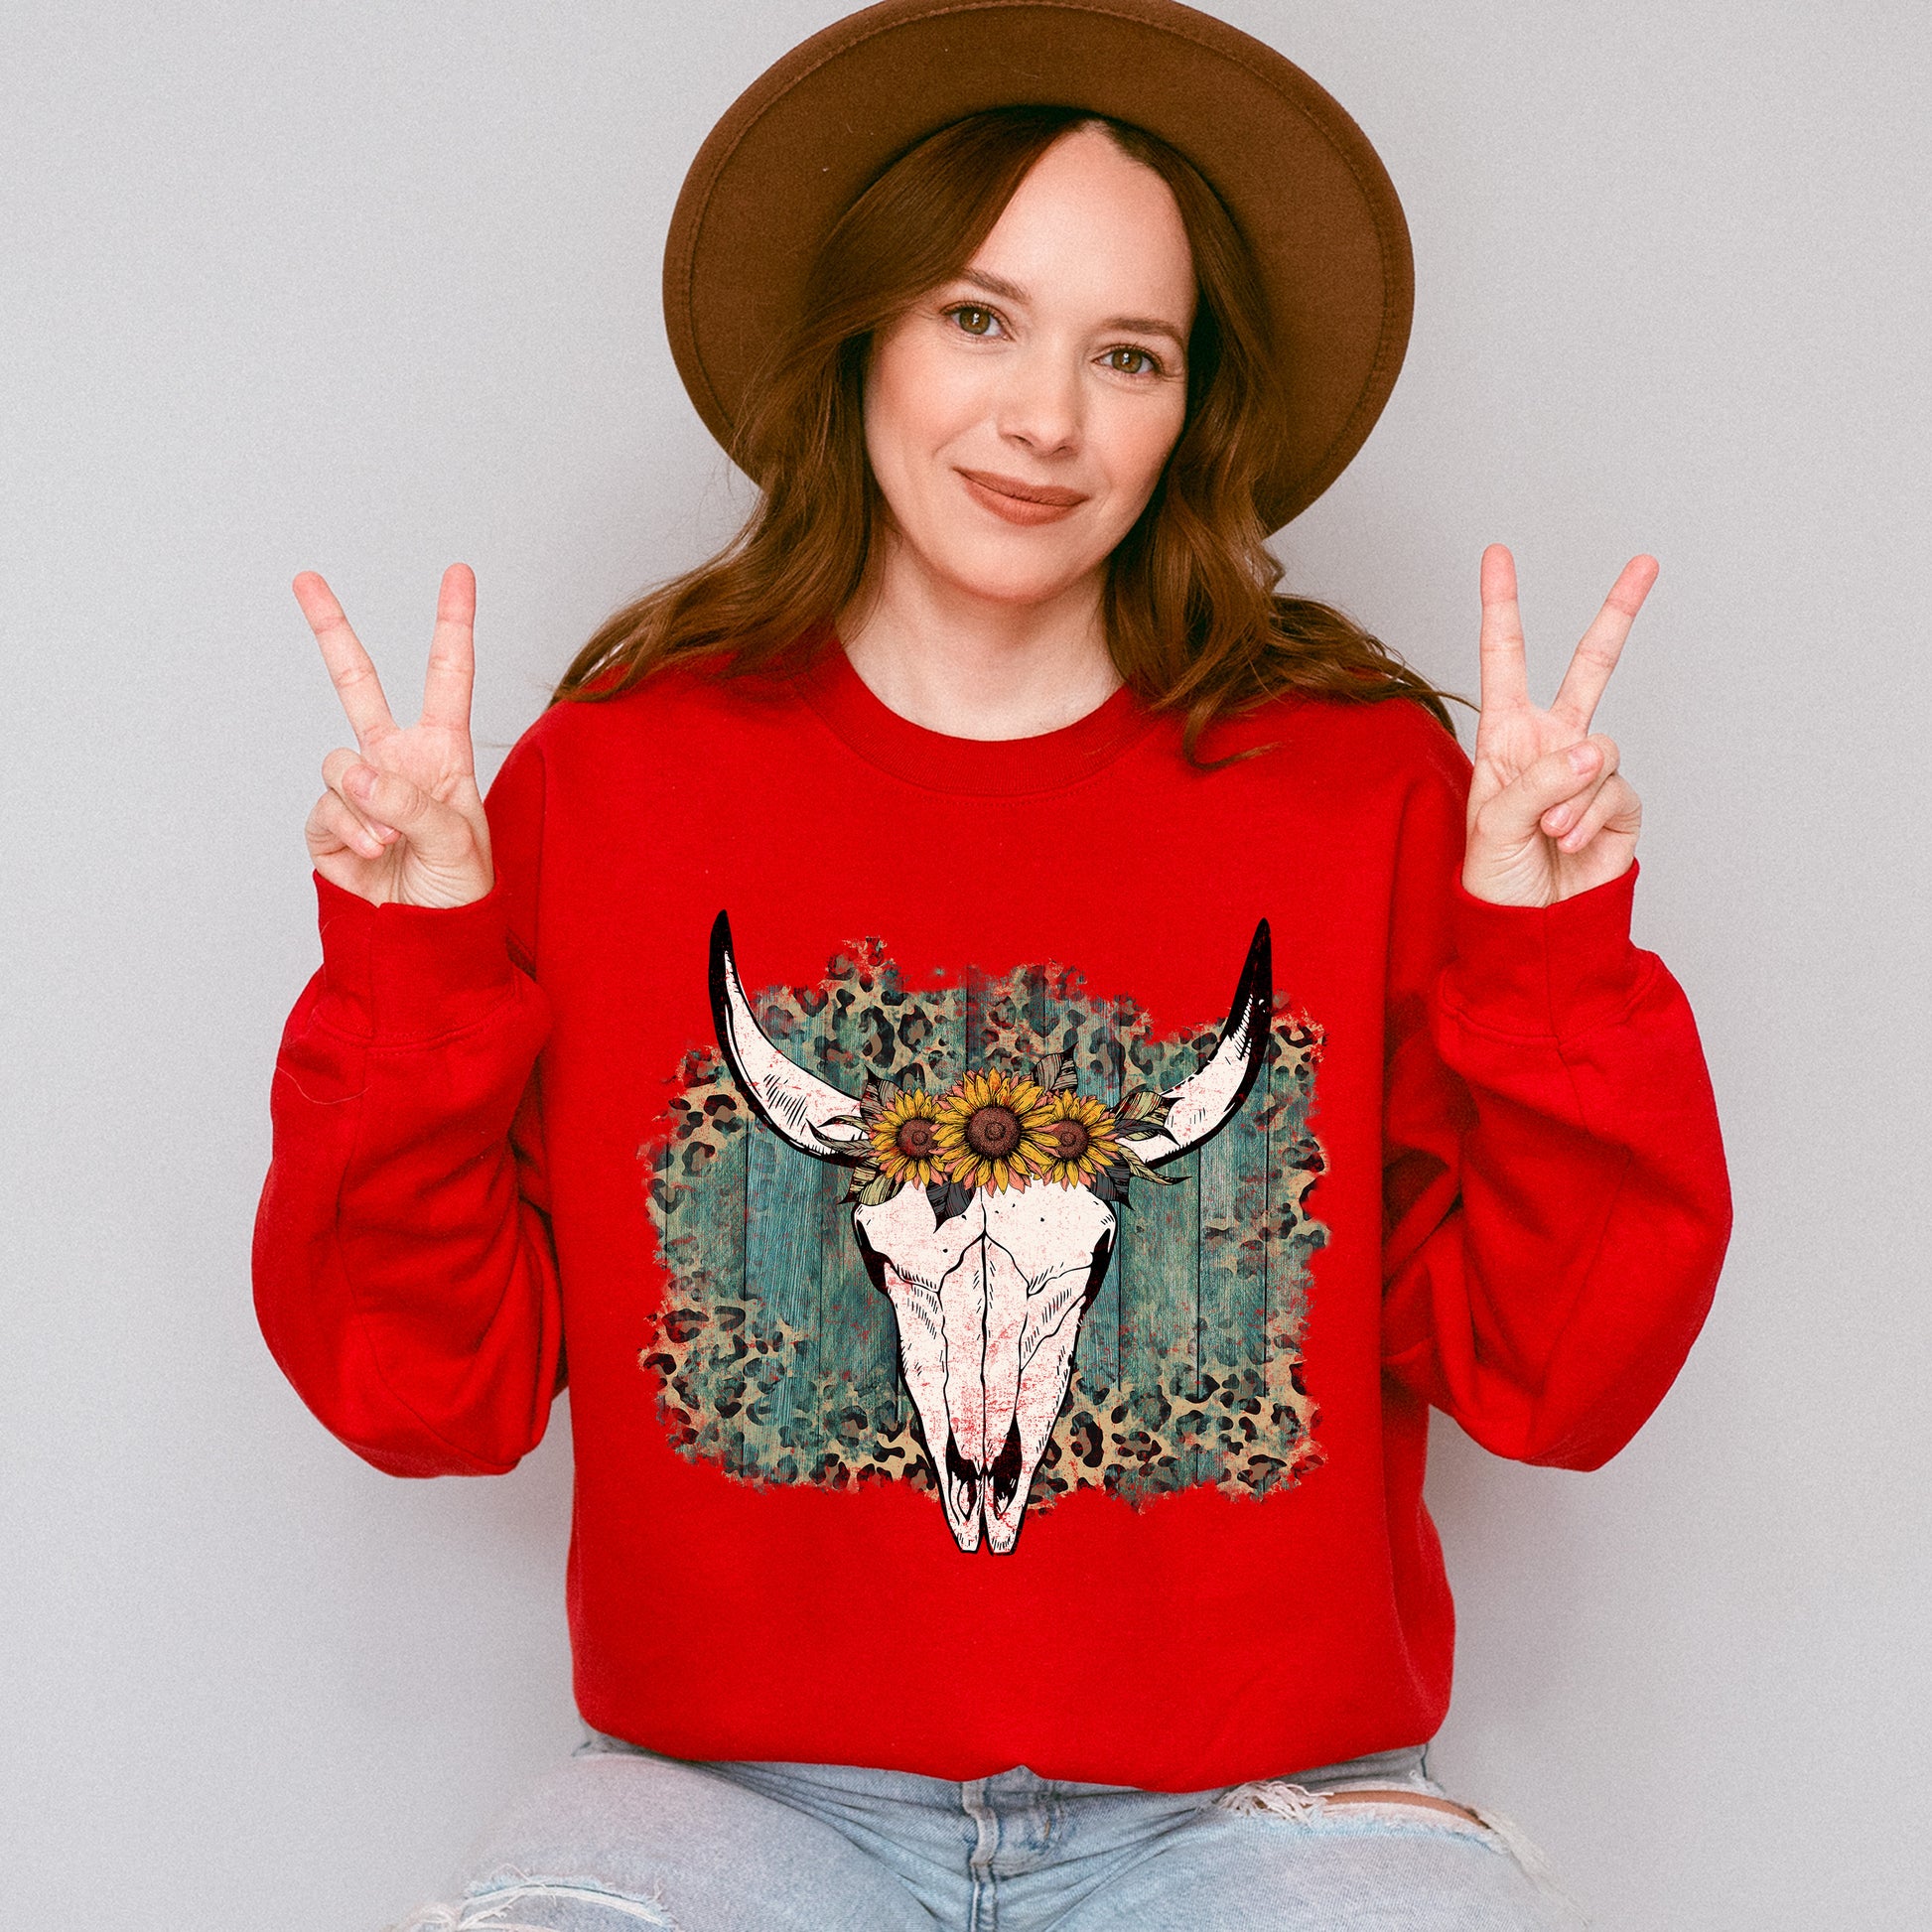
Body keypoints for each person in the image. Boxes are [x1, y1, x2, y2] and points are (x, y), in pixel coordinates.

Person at [254, 2, 1731, 1926]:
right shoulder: (616, 778)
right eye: (977, 317)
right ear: (859, 334)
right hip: (734, 1798)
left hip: (1259, 1810)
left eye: (1127, 353)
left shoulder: (1358, 787)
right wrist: (418, 955)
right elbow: (419, 1394)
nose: (1046, 419)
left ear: (1190, 406)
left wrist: (1547, 951)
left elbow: (1555, 1385)